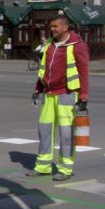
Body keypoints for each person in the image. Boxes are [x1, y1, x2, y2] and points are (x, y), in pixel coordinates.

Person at [27, 14, 89, 181]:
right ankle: (43, 166)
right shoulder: (49, 44)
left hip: (67, 94)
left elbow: (83, 71)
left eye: (55, 26)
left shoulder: (77, 45)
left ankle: (65, 169)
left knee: (66, 133)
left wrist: (83, 96)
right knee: (44, 131)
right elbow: (44, 69)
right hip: (49, 94)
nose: (52, 29)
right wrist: (38, 88)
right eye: (51, 26)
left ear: (65, 28)